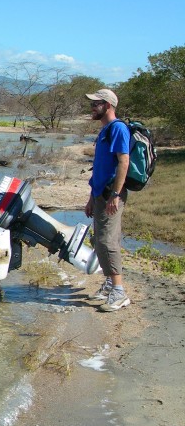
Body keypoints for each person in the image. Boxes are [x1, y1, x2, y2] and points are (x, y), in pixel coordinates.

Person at [84, 88, 131, 312]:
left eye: (96, 104)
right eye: (92, 104)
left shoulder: (118, 128)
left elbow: (123, 162)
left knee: (108, 242)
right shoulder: (104, 131)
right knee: (99, 240)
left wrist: (115, 194)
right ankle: (111, 284)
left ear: (108, 106)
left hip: (111, 195)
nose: (92, 107)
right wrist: (92, 197)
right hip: (100, 194)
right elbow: (99, 168)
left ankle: (119, 292)